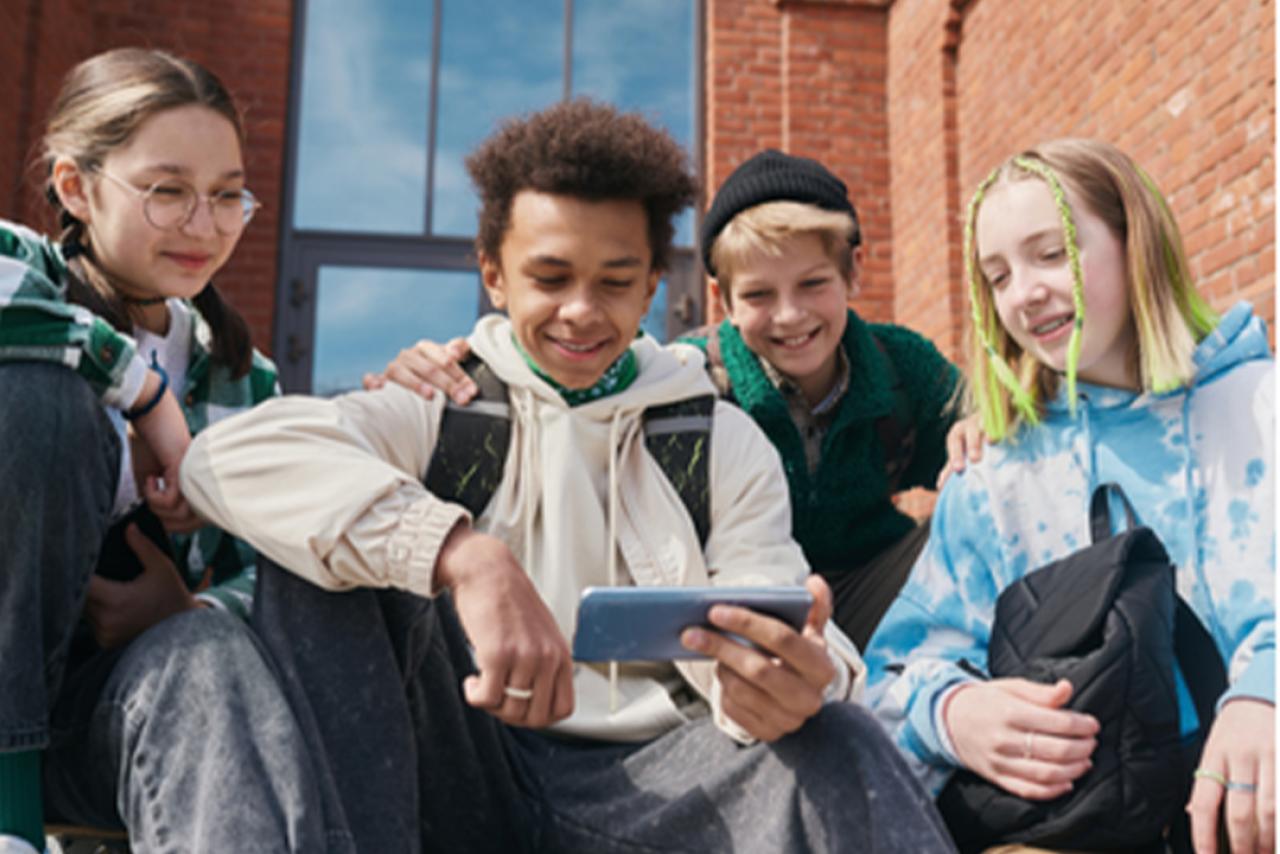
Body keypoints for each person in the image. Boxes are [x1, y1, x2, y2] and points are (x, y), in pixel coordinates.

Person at [180, 98, 956, 853]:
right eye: (549, 278)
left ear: (654, 284)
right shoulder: (440, 402)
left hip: (658, 782)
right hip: (452, 761)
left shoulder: (721, 442)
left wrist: (786, 682)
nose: (581, 311)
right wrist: (461, 554)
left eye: (615, 282)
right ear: (495, 275)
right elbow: (221, 458)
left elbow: (768, 600)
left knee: (842, 740)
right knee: (321, 558)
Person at [366, 149, 975, 651]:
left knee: (983, 501)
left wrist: (981, 433)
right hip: (737, 600)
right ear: (724, 302)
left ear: (854, 273)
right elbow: (594, 391)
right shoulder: (689, 383)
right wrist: (447, 366)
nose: (790, 317)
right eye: (760, 294)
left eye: (813, 284)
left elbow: (999, 415)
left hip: (876, 587)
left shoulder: (901, 367)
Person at [863, 139, 1274, 853]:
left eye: (1052, 254)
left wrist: (1266, 690)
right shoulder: (993, 477)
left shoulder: (1260, 406)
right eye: (997, 276)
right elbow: (885, 682)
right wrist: (956, 713)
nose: (1023, 293)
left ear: (1134, 238)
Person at [0, 48, 333, 852]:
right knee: (41, 397)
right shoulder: (25, 268)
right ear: (77, 187)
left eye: (226, 197)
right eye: (168, 192)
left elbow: (284, 566)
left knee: (208, 646)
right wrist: (141, 394)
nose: (205, 225)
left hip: (110, 716)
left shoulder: (242, 380)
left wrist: (191, 607)